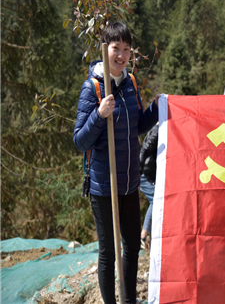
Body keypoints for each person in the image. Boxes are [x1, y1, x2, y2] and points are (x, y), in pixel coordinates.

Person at [74, 22, 159, 304]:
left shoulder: (130, 82)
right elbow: (80, 141)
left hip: (129, 183)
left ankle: (129, 301)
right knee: (108, 252)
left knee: (132, 246)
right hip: (103, 185)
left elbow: (138, 126)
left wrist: (155, 108)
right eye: (115, 48)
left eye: (126, 49)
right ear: (105, 49)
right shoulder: (93, 88)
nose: (121, 55)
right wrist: (99, 115)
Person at [139, 124, 159, 249]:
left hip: (149, 172)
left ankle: (146, 234)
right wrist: (139, 170)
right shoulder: (158, 129)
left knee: (157, 201)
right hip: (146, 173)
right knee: (158, 200)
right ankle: (144, 234)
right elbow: (145, 150)